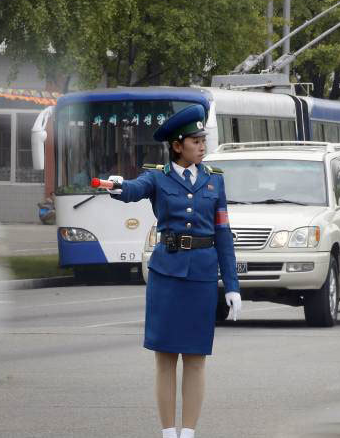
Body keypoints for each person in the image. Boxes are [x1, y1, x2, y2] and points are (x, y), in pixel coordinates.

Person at [106, 104, 241, 438]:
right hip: (167, 275)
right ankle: (168, 432)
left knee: (195, 357)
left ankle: (189, 432)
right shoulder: (158, 177)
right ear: (177, 145)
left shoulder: (215, 183)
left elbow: (223, 235)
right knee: (165, 357)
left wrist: (233, 285)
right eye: (195, 140)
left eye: (203, 139)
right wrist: (118, 186)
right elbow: (135, 189)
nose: (202, 145)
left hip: (202, 277)